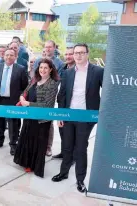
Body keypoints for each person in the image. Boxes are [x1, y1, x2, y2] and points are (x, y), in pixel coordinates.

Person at [52, 43, 104, 193]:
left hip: (86, 117)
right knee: (67, 146)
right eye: (76, 53)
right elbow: (62, 95)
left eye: (82, 52)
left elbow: (106, 93)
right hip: (68, 115)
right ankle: (63, 173)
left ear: (87, 54)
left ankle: (80, 180)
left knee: (80, 148)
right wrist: (60, 114)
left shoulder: (98, 71)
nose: (78, 55)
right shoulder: (68, 73)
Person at [13, 58, 60, 177]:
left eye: (45, 68)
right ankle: (26, 163)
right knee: (27, 139)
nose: (42, 70)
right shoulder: (34, 79)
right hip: (29, 117)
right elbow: (25, 91)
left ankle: (35, 166)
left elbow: (47, 105)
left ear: (50, 70)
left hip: (41, 120)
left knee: (37, 143)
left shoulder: (53, 84)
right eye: (41, 67)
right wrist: (22, 98)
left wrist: (28, 104)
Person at [0, 49, 28, 155]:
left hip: (13, 100)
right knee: (0, 121)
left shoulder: (20, 69)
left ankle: (13, 144)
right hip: (0, 99)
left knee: (13, 123)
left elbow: (24, 87)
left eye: (11, 55)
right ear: (3, 56)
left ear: (15, 56)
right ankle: (0, 140)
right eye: (7, 55)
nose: (8, 57)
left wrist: (21, 99)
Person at [52, 47, 76, 159]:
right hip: (62, 104)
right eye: (66, 54)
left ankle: (71, 156)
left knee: (72, 134)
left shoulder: (78, 70)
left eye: (70, 54)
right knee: (62, 130)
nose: (67, 56)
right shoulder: (63, 67)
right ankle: (64, 152)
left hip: (73, 106)